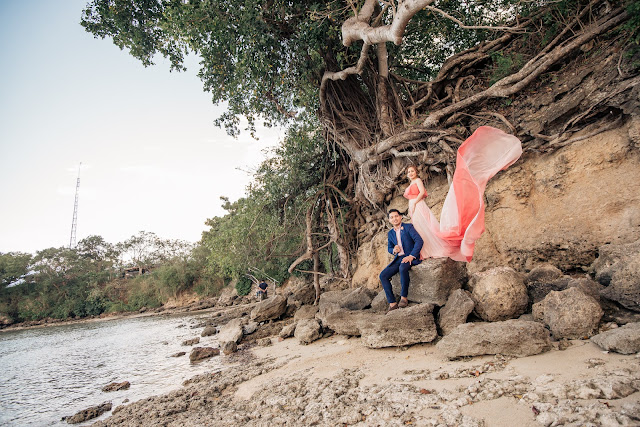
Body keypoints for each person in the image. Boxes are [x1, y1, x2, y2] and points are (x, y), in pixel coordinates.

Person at [403, 126, 523, 262]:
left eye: (412, 171)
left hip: (418, 206)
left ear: (416, 172)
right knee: (419, 228)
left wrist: (414, 204)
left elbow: (423, 192)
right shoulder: (410, 183)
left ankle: (435, 248)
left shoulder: (418, 180)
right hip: (413, 207)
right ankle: (424, 250)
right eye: (408, 172)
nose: (410, 173)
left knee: (426, 227)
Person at [379, 209, 424, 313]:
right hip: (398, 258)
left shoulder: (408, 227)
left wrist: (412, 256)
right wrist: (394, 250)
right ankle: (393, 304)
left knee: (403, 268)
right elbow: (389, 248)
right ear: (389, 220)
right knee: (383, 275)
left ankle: (404, 297)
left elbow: (419, 241)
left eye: (396, 216)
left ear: (400, 217)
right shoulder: (390, 233)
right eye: (392, 217)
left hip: (410, 256)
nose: (394, 219)